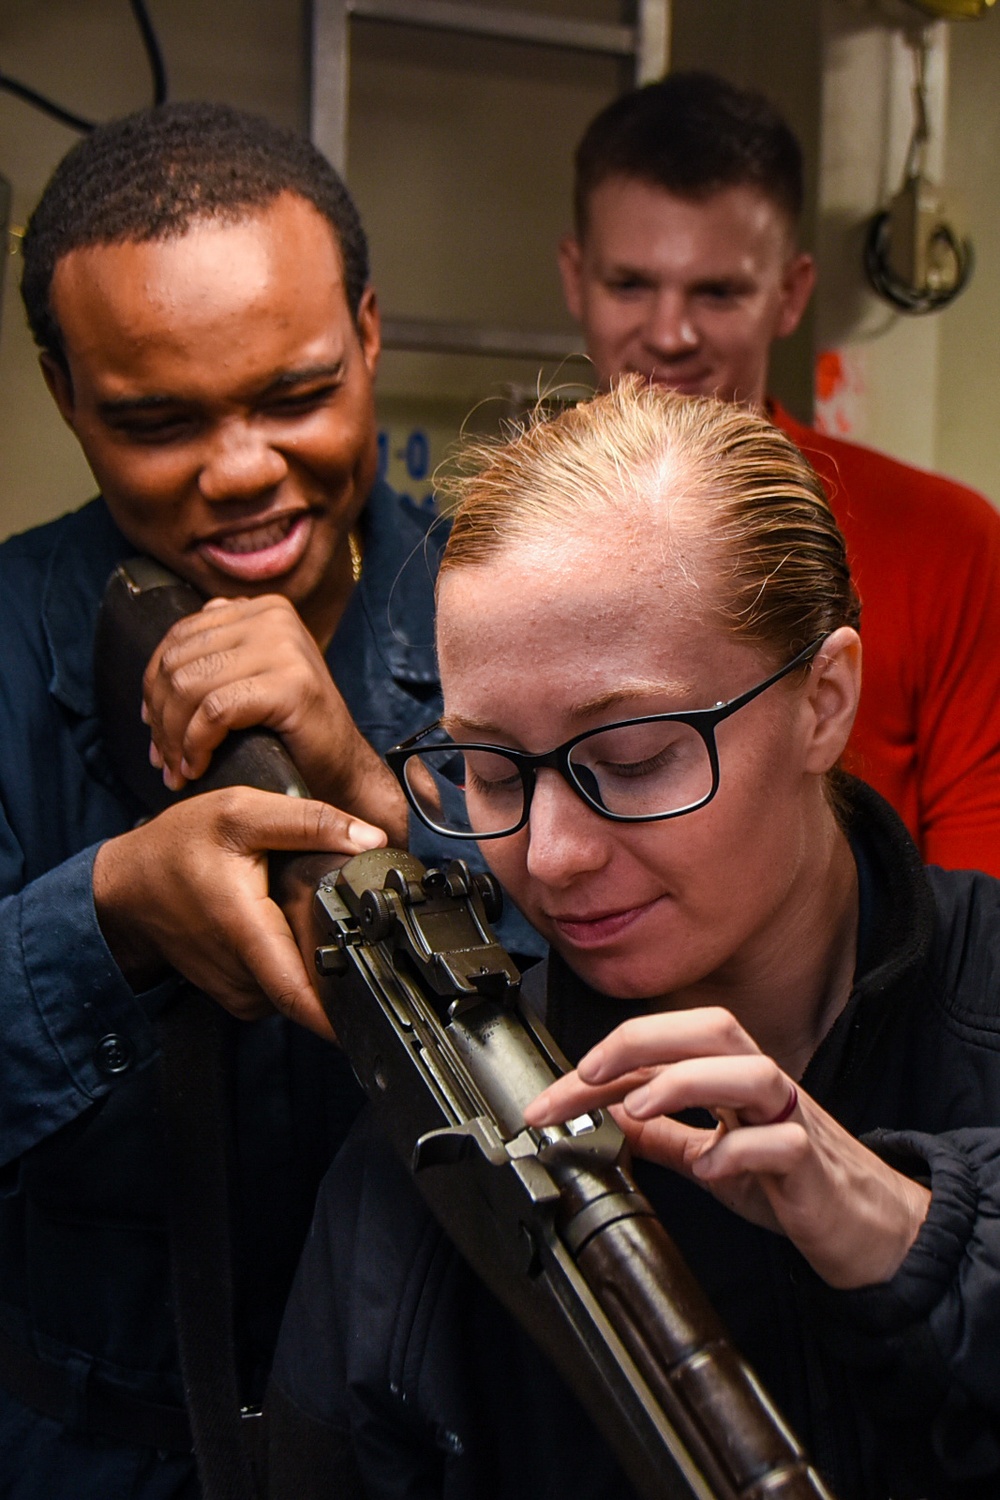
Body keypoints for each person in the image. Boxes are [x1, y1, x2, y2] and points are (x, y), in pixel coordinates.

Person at [271, 381, 1000, 1500]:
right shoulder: (432, 1151)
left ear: (825, 700)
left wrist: (920, 1235)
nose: (550, 855)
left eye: (633, 758)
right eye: (492, 769)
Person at [0, 100, 537, 1499]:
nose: (242, 472)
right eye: (156, 420)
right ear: (64, 395)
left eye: (295, 395)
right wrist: (106, 916)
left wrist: (371, 784)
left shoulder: (519, 619)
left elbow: (644, 1002)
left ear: (368, 334)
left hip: (448, 1446)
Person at [557, 70, 1000, 875]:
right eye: (631, 284)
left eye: (718, 291)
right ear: (574, 279)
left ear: (791, 295)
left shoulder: (950, 545)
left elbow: (984, 913)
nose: (670, 334)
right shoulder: (506, 556)